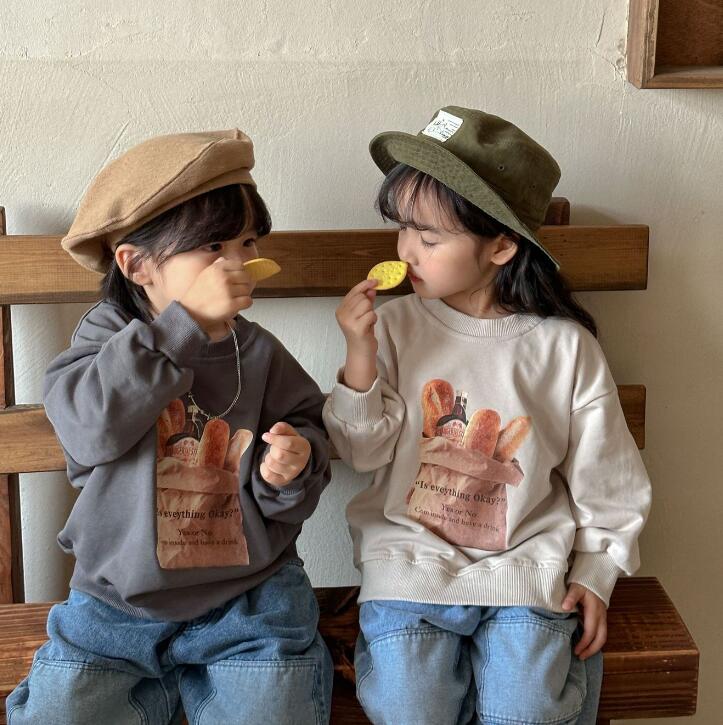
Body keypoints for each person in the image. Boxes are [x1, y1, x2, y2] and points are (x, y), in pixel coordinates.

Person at [323, 106, 652, 725]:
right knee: (409, 707)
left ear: (501, 245)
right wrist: (359, 354)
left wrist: (598, 569)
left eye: (429, 239)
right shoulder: (394, 327)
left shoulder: (563, 348)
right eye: (402, 229)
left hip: (525, 572)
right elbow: (362, 453)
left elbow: (607, 474)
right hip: (409, 571)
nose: (407, 251)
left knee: (529, 710)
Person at [7, 129, 333, 725]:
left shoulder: (258, 351)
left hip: (250, 595)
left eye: (247, 241)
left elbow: (309, 429)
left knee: (277, 707)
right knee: (59, 713)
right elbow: (90, 429)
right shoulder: (101, 340)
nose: (239, 262)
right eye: (212, 245)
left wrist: (292, 462)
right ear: (136, 265)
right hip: (117, 600)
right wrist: (184, 327)